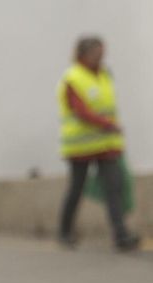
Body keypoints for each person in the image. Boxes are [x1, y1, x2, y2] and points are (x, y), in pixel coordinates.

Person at [57, 36, 138, 250]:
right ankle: (65, 231)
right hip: (81, 145)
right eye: (97, 52)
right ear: (84, 54)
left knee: (114, 189)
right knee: (76, 188)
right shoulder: (73, 78)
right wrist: (106, 124)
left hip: (106, 145)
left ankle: (121, 235)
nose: (101, 56)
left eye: (103, 52)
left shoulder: (104, 74)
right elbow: (80, 110)